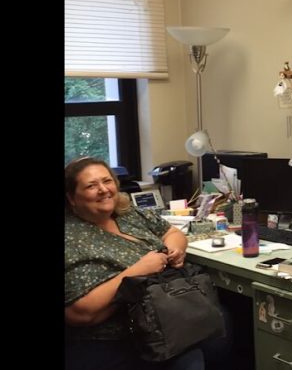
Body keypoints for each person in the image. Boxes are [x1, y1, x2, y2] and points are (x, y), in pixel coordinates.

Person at [64, 156, 204, 370]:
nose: (103, 189)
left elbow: (172, 232)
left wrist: (175, 249)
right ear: (72, 197)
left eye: (107, 181)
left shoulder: (128, 214)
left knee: (219, 330)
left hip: (165, 318)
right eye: (91, 185)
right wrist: (138, 272)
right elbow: (78, 313)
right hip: (115, 338)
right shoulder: (71, 237)